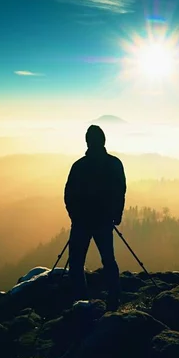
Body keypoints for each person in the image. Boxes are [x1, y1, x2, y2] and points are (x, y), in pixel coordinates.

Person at [64, 124, 126, 310]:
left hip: (82, 222)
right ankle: (114, 299)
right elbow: (120, 191)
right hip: (103, 221)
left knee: (76, 262)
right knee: (108, 260)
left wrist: (74, 216)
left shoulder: (79, 166)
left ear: (87, 142)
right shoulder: (114, 163)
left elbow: (69, 194)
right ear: (103, 141)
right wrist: (116, 214)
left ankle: (79, 301)